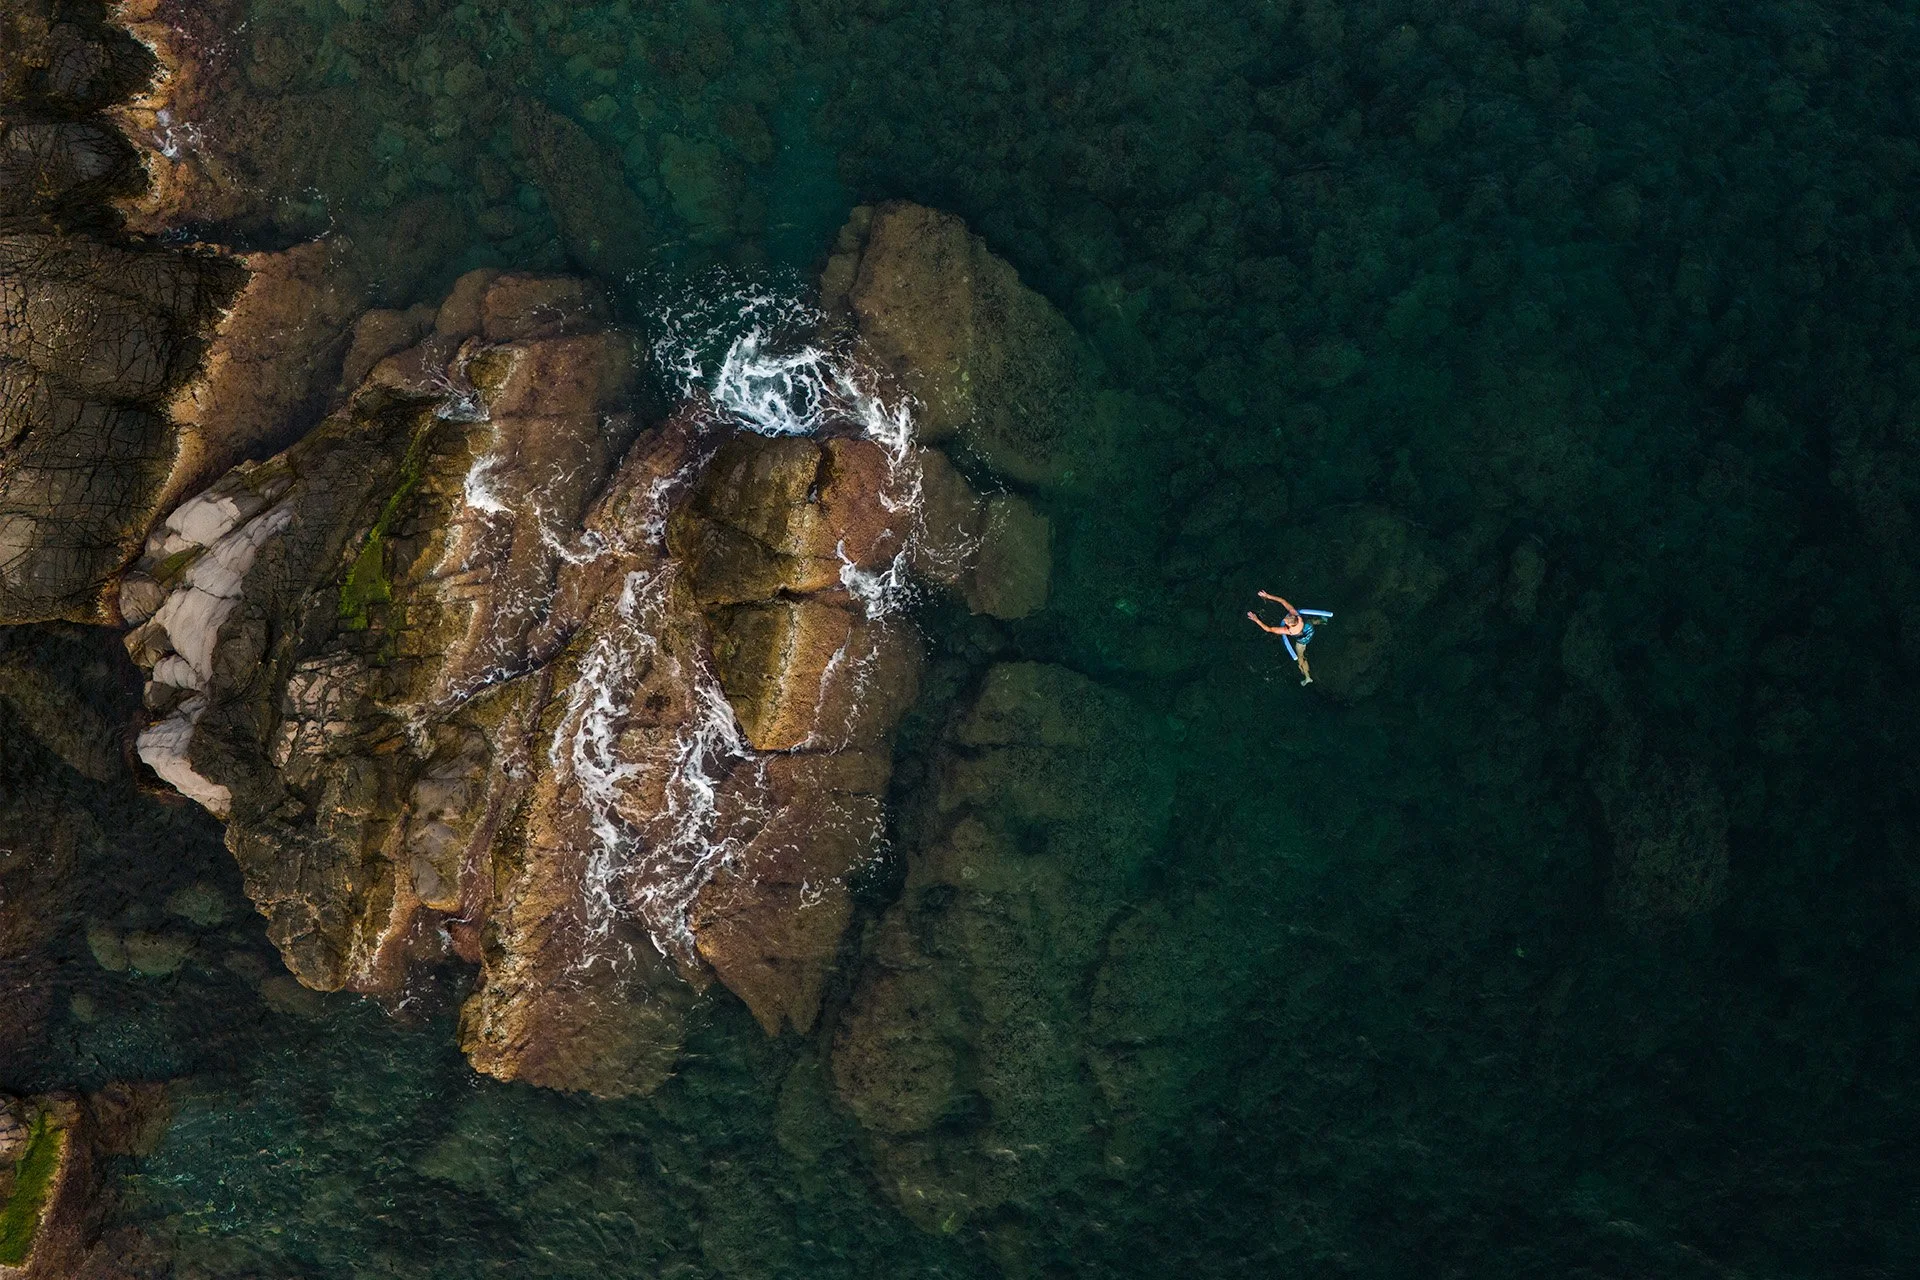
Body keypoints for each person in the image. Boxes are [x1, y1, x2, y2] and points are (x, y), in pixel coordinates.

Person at [1247, 591, 1333, 685]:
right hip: (1309, 628)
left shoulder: (1289, 631)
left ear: (1290, 625)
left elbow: (1269, 629)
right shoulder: (1297, 615)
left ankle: (1307, 677)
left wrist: (1256, 619)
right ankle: (1323, 620)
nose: (1284, 620)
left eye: (1286, 622)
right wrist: (1268, 596)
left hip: (1303, 640)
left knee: (1300, 657)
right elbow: (1283, 601)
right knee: (1311, 621)